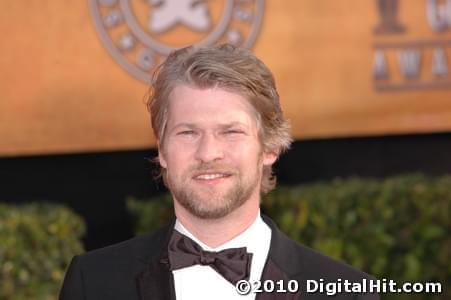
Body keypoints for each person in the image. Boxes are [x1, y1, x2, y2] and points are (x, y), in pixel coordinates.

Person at [60, 44, 379, 300]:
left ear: (270, 147)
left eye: (230, 132)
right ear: (162, 150)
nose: (208, 153)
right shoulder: (95, 282)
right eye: (188, 133)